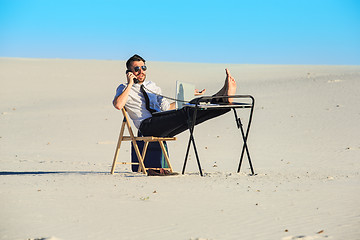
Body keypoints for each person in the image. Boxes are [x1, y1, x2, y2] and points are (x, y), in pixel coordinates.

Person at [113, 54, 237, 138]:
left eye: (143, 68)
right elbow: (118, 105)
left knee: (192, 107)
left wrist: (186, 95)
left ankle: (220, 100)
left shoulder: (152, 86)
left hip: (161, 121)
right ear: (130, 72)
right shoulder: (124, 88)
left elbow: (167, 108)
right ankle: (220, 98)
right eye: (137, 69)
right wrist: (130, 84)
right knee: (187, 111)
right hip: (147, 126)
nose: (141, 71)